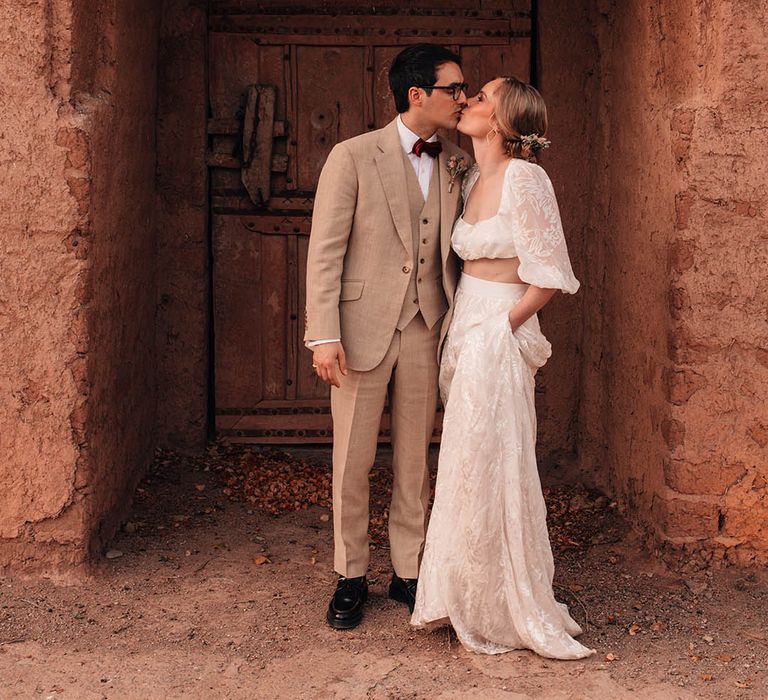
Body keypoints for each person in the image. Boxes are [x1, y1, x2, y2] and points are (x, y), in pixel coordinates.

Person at [410, 76, 596, 659]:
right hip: (466, 322)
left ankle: (507, 604)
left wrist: (504, 325)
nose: (467, 102)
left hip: (498, 324)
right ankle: (459, 591)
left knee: (497, 455)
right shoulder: (472, 177)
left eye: (481, 97)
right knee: (465, 459)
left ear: (505, 118)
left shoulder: (527, 178)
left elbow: (548, 275)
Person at [304, 44, 472, 630]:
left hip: (428, 326)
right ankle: (350, 573)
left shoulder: (458, 161)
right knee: (351, 458)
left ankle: (408, 569)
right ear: (417, 94)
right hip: (358, 330)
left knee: (414, 460)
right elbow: (324, 253)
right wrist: (323, 335)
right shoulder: (351, 156)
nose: (463, 98)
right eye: (454, 89)